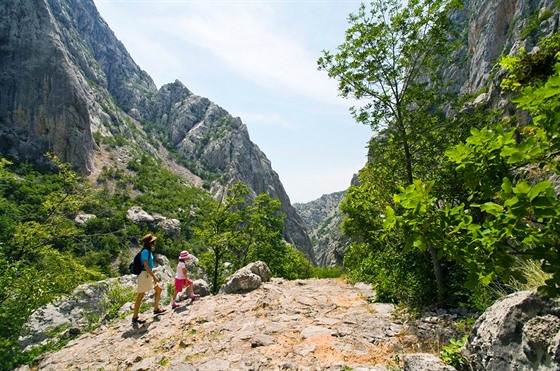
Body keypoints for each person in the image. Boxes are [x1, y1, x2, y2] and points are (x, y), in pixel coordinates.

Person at [132, 233, 167, 324]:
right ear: (150, 242)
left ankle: (156, 309)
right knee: (140, 296)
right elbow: (146, 266)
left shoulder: (147, 251)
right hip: (144, 275)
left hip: (147, 274)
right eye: (153, 241)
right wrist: (154, 277)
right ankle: (135, 317)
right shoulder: (145, 252)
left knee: (159, 289)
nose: (154, 243)